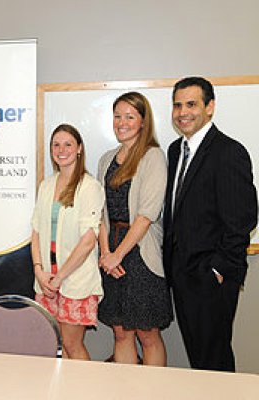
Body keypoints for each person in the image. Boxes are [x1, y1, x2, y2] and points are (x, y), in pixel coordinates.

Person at [162, 77, 258, 372]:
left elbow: (243, 219)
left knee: (214, 361)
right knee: (199, 359)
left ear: (210, 107)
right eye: (177, 105)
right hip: (181, 274)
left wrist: (217, 270)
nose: (182, 112)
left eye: (191, 104)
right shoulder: (176, 150)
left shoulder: (229, 151)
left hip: (210, 279)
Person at [97, 92, 173, 366]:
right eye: (117, 116)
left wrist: (118, 255)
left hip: (141, 252)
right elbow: (100, 213)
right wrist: (106, 254)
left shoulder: (153, 156)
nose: (122, 122)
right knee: (120, 332)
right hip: (111, 250)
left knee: (147, 333)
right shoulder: (106, 159)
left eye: (130, 116)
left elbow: (147, 214)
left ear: (143, 121)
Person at [31, 123, 105, 360]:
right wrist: (39, 271)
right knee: (55, 344)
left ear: (79, 148)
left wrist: (60, 277)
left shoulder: (89, 187)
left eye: (68, 144)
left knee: (73, 346)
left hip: (74, 280)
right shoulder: (46, 185)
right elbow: (36, 232)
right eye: (56, 144)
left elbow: (88, 241)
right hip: (46, 279)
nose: (61, 150)